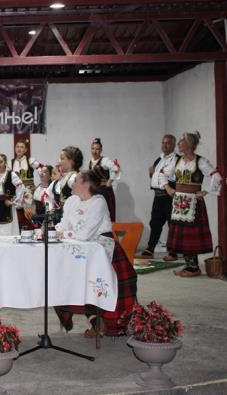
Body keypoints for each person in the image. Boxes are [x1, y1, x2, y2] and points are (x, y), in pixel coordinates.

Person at [54, 171, 137, 337]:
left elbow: (85, 234)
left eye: (75, 181)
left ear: (86, 184)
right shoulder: (71, 201)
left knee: (97, 283)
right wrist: (59, 232)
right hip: (76, 248)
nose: (72, 183)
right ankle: (94, 321)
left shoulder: (99, 202)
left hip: (101, 250)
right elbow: (62, 225)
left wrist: (65, 234)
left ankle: (102, 323)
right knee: (59, 275)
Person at [160, 132, 222, 277]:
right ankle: (189, 266)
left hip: (193, 204)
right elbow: (162, 173)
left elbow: (217, 176)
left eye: (181, 141)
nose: (178, 144)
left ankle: (194, 268)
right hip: (179, 202)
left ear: (189, 144)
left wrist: (205, 191)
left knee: (191, 235)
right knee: (182, 236)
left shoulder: (200, 161)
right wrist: (168, 188)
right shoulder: (177, 161)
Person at [135, 135, 178, 260]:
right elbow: (155, 177)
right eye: (163, 143)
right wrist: (151, 173)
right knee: (155, 223)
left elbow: (172, 176)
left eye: (168, 143)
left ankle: (173, 252)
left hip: (169, 197)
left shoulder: (177, 160)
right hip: (158, 197)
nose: (164, 145)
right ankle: (150, 249)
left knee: (172, 224)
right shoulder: (159, 159)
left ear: (173, 145)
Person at [0, 154, 25, 236]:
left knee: (7, 231)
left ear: (5, 163)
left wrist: (14, 202)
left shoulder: (11, 175)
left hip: (7, 207)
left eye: (1, 162)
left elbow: (21, 186)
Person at [88, 138, 121, 221]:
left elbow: (116, 168)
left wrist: (110, 181)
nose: (94, 151)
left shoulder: (105, 160)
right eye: (93, 149)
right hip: (95, 191)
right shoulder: (90, 162)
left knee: (105, 213)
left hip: (104, 191)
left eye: (97, 149)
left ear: (101, 150)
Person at [11, 140, 42, 230]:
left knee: (30, 215)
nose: (19, 149)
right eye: (17, 147)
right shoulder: (11, 162)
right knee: (18, 216)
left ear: (25, 150)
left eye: (22, 147)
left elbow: (42, 169)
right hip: (16, 192)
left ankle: (34, 232)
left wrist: (39, 186)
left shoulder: (30, 161)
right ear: (15, 149)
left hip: (28, 192)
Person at [50, 146, 83, 217]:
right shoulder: (67, 177)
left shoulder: (73, 178)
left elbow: (81, 201)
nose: (59, 161)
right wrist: (60, 209)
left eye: (62, 159)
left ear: (71, 161)